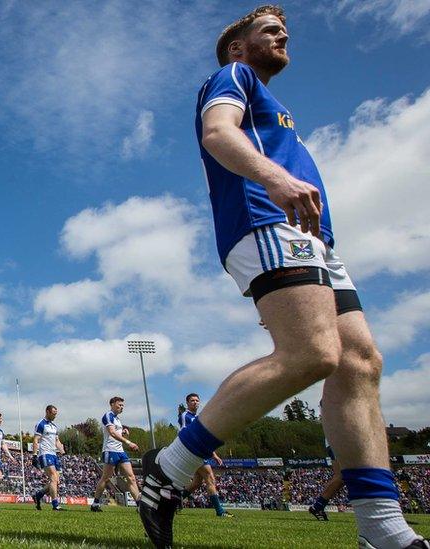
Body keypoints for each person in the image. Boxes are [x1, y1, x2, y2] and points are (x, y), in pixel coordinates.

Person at [137, 6, 427, 548]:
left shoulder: (276, 104)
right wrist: (274, 177)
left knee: (360, 363)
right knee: (312, 353)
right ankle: (169, 467)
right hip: (265, 219)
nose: (283, 35)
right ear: (238, 48)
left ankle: (383, 530)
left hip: (312, 238)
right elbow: (217, 133)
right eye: (269, 30)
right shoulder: (233, 77)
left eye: (284, 30)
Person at [178, 393, 231, 517]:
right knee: (210, 479)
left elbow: (202, 438)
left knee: (197, 482)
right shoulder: (186, 416)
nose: (195, 402)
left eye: (197, 400)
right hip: (194, 452)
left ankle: (175, 502)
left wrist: (214, 455)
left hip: (200, 451)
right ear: (187, 403)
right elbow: (187, 434)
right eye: (192, 400)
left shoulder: (198, 418)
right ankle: (220, 512)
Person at [92, 397, 140, 511]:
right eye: (119, 405)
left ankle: (139, 504)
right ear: (112, 404)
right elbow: (112, 433)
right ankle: (95, 503)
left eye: (123, 405)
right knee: (106, 478)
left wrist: (123, 432)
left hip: (120, 451)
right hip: (110, 450)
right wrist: (128, 442)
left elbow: (117, 433)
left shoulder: (117, 419)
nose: (122, 407)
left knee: (131, 477)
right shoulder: (108, 416)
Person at [309, 400, 344, 521]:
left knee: (341, 476)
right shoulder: (334, 398)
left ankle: (318, 505)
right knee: (342, 476)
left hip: (334, 440)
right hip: (337, 441)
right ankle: (318, 506)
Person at [32, 405, 65, 511]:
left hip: (54, 455)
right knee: (53, 478)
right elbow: (36, 440)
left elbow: (57, 441)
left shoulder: (54, 426)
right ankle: (55, 505)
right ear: (47, 412)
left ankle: (39, 494)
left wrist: (62, 451)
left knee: (56, 481)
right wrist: (34, 455)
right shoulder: (41, 424)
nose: (55, 415)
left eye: (56, 413)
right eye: (53, 413)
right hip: (45, 454)